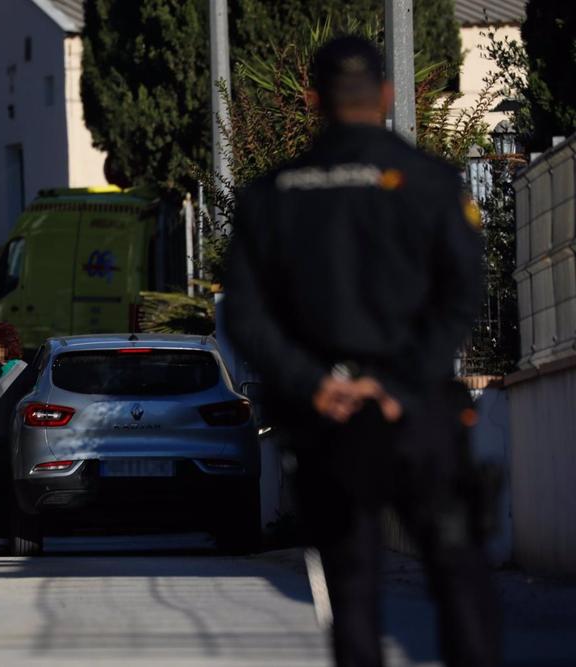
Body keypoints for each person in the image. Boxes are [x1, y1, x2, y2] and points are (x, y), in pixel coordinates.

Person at [224, 36, 500, 667]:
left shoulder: (273, 195)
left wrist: (314, 383)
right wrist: (402, 383)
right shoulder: (431, 183)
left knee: (351, 593)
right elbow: (462, 296)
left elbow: (245, 312)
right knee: (459, 580)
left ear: (313, 99)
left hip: (329, 423)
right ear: (386, 95)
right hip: (418, 415)